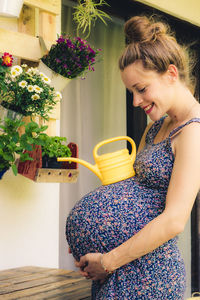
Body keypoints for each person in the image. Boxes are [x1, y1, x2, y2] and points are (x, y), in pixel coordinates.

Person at [66, 15, 200, 299]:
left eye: (141, 89)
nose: (136, 101)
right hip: (120, 269)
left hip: (149, 277)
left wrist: (107, 260)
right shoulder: (155, 127)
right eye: (131, 92)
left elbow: (175, 219)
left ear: (171, 74)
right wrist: (91, 232)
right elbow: (134, 190)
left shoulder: (194, 132)